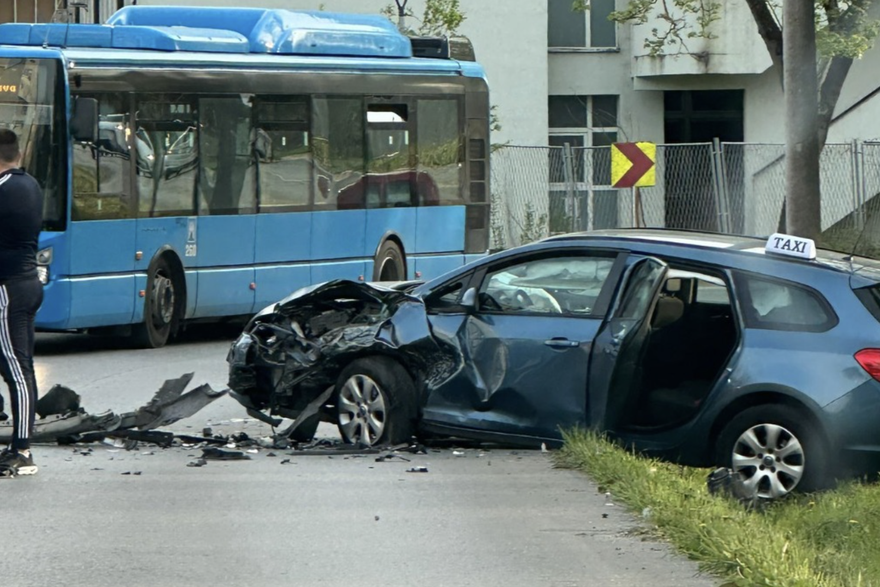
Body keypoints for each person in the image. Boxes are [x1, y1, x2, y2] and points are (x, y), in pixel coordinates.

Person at [0, 129, 43, 476]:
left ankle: (23, 450)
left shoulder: (5, 189)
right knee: (17, 365)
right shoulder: (29, 184)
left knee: (17, 368)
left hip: (7, 289)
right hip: (26, 283)